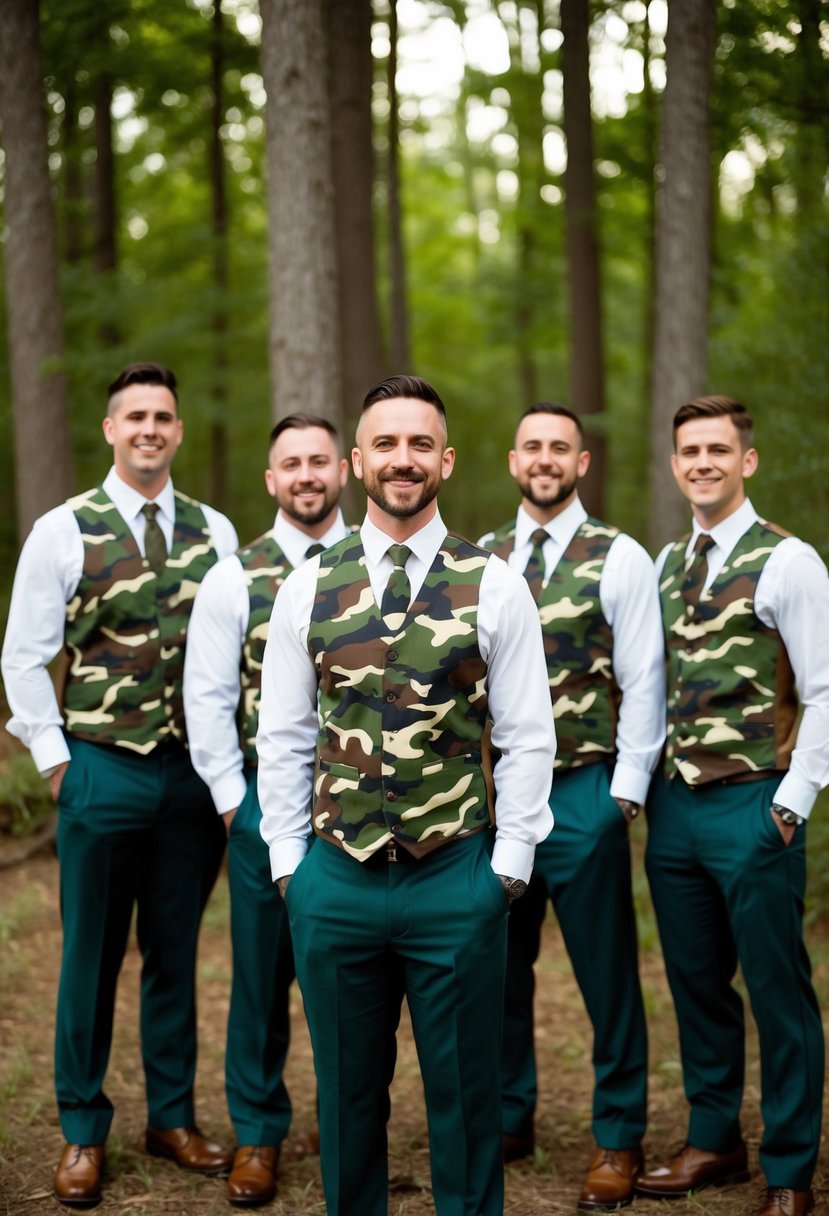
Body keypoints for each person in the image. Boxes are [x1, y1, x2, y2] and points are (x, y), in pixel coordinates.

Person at [256, 375, 556, 1216]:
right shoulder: (306, 585)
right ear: (356, 462)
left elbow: (528, 735)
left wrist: (506, 869)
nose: (402, 459)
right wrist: (290, 868)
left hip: (452, 881)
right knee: (348, 1105)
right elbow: (282, 734)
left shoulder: (493, 584)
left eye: (419, 443)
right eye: (384, 443)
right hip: (335, 882)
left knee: (465, 1102)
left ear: (447, 461)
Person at [1, 362, 239, 1208]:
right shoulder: (63, 529)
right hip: (99, 769)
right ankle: (80, 1127)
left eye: (163, 416)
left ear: (177, 431)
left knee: (174, 954)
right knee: (91, 957)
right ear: (110, 430)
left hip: (191, 780)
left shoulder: (216, 532)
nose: (149, 428)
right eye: (134, 415)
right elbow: (23, 657)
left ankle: (170, 1117)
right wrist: (58, 764)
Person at [635, 396, 829, 1216]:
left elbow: (823, 692)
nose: (702, 461)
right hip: (675, 811)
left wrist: (789, 805)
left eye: (717, 448)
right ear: (675, 464)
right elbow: (648, 687)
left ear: (745, 461)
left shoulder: (789, 561)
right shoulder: (667, 561)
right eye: (689, 450)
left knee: (777, 989)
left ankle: (788, 1169)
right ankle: (714, 1140)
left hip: (754, 805)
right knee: (695, 984)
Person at [479, 402, 664, 1209]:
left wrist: (622, 793)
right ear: (511, 460)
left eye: (560, 448)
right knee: (497, 971)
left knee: (607, 976)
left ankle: (618, 1138)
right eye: (532, 447)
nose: (545, 459)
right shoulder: (480, 558)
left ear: (581, 463)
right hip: (494, 802)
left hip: (583, 791)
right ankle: (508, 1115)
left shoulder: (617, 556)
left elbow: (645, 677)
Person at [183, 414, 349, 1206]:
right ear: (271, 480)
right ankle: (257, 1132)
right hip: (261, 807)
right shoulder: (233, 576)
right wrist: (233, 807)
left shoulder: (375, 564)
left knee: (354, 978)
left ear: (342, 470)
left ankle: (352, 1125)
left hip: (361, 809)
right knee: (259, 979)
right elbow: (207, 701)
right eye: (292, 463)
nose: (307, 475)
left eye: (319, 461)